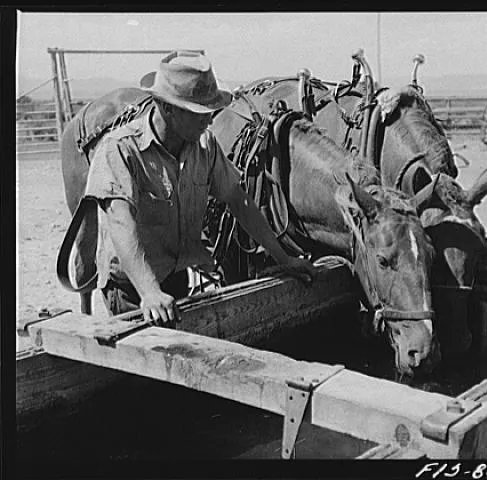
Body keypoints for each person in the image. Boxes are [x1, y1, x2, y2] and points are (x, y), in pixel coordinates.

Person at [84, 50, 316, 325]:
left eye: (211, 112)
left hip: (175, 280)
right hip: (132, 290)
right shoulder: (121, 150)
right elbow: (121, 223)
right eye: (199, 113)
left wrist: (283, 258)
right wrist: (149, 292)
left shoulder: (205, 145)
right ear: (167, 108)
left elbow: (238, 201)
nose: (209, 120)